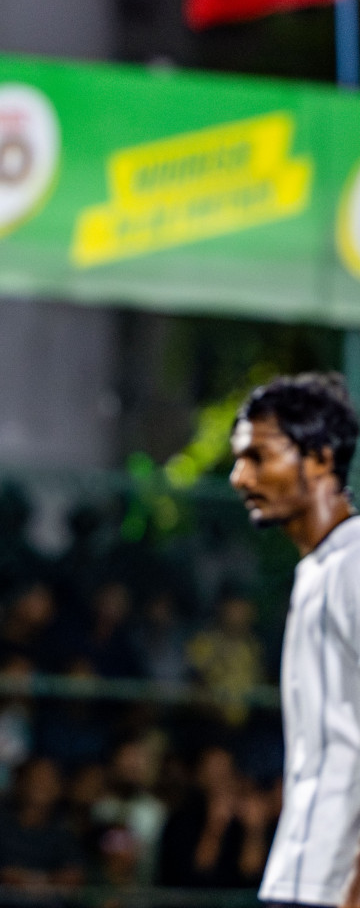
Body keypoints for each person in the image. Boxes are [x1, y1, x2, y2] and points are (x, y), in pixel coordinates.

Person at [228, 373, 360, 908]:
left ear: (320, 458)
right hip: (303, 874)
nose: (239, 477)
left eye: (259, 457)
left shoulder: (353, 566)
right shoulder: (319, 570)